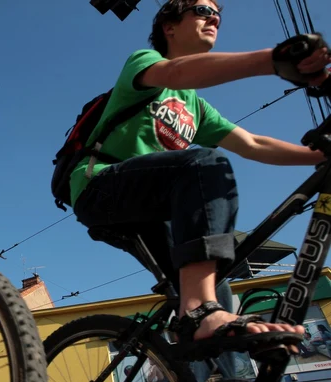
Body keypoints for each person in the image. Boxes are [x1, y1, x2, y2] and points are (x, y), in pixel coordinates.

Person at [70, 0, 330, 358]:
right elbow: (177, 73)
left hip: (156, 210)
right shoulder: (144, 63)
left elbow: (253, 144)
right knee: (205, 165)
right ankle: (198, 312)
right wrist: (273, 60)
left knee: (215, 287)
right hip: (100, 187)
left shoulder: (197, 108)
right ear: (170, 27)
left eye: (218, 15)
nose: (215, 18)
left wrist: (320, 156)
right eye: (203, 10)